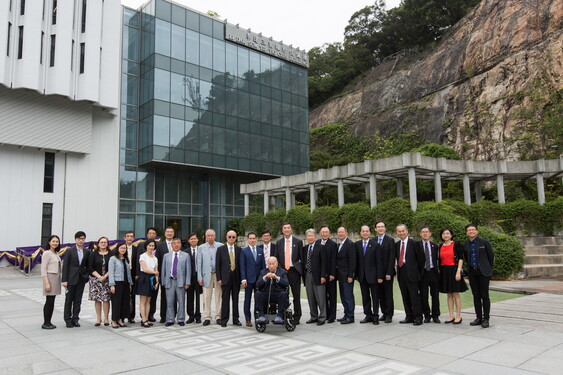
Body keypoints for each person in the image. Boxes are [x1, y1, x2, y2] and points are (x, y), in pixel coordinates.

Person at [463, 224, 494, 328]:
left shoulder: (484, 243)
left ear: (477, 231)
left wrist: (487, 269)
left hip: (483, 273)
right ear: (466, 232)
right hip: (472, 272)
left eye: (473, 229)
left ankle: (486, 318)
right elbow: (466, 259)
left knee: (484, 295)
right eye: (469, 230)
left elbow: (490, 257)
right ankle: (478, 317)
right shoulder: (466, 244)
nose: (471, 231)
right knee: (476, 295)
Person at [395, 224, 424, 326]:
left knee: (414, 296)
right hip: (401, 273)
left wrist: (418, 274)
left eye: (403, 231)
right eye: (399, 231)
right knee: (405, 295)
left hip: (413, 274)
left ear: (407, 231)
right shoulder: (397, 244)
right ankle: (409, 316)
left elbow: (421, 260)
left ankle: (418, 317)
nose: (401, 233)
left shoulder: (415, 244)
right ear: (397, 233)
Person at [275, 222, 303, 324]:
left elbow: (301, 258)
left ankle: (297, 316)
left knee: (296, 295)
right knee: (283, 294)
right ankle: (284, 314)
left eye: (288, 228)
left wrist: (300, 270)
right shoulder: (279, 243)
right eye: (284, 228)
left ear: (291, 230)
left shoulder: (298, 242)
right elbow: (276, 257)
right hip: (283, 271)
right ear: (282, 230)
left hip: (294, 271)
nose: (286, 230)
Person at [61, 231, 91, 328]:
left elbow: (88, 266)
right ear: (75, 239)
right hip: (70, 279)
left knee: (78, 300)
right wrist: (64, 280)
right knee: (69, 300)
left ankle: (75, 319)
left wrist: (86, 276)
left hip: (81, 279)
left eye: (82, 239)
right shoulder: (70, 251)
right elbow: (65, 266)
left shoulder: (87, 252)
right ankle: (68, 320)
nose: (81, 241)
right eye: (79, 239)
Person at [356, 225, 384, 325]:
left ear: (370, 233)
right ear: (360, 233)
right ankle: (368, 315)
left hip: (374, 276)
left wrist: (380, 276)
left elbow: (379, 262)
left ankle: (375, 316)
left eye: (367, 231)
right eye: (363, 231)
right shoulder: (357, 245)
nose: (365, 233)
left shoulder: (375, 245)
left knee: (375, 297)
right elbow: (356, 262)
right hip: (362, 276)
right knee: (365, 297)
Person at [438, 228, 468, 324]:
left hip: (454, 270)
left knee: (455, 294)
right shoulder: (440, 246)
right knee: (449, 294)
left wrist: (458, 271)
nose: (445, 235)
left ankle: (458, 316)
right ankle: (451, 315)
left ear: (451, 235)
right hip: (444, 271)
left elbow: (460, 258)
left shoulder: (456, 245)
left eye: (447, 233)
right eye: (443, 234)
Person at [161, 238, 191, 326]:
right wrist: (163, 281)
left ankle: (181, 319)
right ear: (172, 245)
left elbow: (188, 270)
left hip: (180, 282)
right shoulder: (166, 256)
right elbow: (163, 269)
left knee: (181, 302)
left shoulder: (186, 256)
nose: (176, 245)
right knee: (169, 302)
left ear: (181, 245)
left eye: (178, 243)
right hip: (169, 281)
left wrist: (187, 282)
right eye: (174, 243)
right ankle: (170, 319)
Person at [197, 229, 223, 326]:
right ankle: (207, 317)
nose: (210, 237)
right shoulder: (201, 248)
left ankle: (218, 316)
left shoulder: (220, 246)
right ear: (205, 237)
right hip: (206, 275)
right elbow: (199, 264)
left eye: (212, 235)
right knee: (206, 297)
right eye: (208, 236)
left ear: (215, 236)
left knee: (219, 296)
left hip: (218, 274)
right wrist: (200, 277)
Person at [216, 230, 242, 327]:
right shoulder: (220, 249)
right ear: (226, 237)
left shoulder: (239, 249)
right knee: (225, 299)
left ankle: (236, 319)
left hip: (236, 277)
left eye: (233, 237)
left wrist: (241, 278)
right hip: (225, 278)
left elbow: (241, 265)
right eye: (229, 237)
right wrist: (219, 278)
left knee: (235, 299)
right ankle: (224, 320)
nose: (231, 239)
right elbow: (218, 265)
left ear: (235, 238)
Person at [240, 232, 265, 327]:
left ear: (256, 239)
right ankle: (248, 319)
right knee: (247, 300)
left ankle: (257, 317)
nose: (252, 240)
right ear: (248, 239)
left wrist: (263, 278)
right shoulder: (244, 251)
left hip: (258, 280)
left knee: (258, 300)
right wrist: (243, 279)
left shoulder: (260, 250)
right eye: (250, 238)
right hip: (248, 280)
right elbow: (242, 266)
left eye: (254, 238)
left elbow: (263, 266)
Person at [417, 226, 441, 323]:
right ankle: (426, 315)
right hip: (422, 273)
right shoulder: (416, 245)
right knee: (423, 295)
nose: (425, 233)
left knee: (435, 295)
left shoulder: (434, 246)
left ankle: (435, 315)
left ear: (430, 233)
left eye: (427, 232)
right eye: (423, 232)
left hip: (433, 272)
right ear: (420, 234)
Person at [255, 257, 289, 324]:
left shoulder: (282, 272)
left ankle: (279, 316)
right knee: (258, 293)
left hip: (278, 294)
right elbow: (257, 284)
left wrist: (276, 277)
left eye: (273, 264)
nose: (271, 266)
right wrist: (265, 277)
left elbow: (286, 283)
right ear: (267, 264)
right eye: (269, 264)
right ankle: (261, 315)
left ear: (277, 264)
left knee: (283, 294)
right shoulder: (263, 272)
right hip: (266, 294)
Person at [303, 229, 327, 325]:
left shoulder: (321, 247)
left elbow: (324, 263)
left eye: (311, 236)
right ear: (306, 238)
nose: (310, 238)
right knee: (310, 297)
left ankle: (322, 317)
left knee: (320, 297)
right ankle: (313, 316)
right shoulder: (305, 248)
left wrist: (323, 276)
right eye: (308, 236)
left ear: (315, 237)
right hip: (308, 275)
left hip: (318, 275)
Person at [108, 242, 133, 328]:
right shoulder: (113, 259)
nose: (123, 249)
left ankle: (120, 319)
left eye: (124, 248)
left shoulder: (126, 259)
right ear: (117, 248)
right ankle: (114, 320)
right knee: (116, 303)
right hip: (117, 283)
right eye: (121, 248)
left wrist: (130, 283)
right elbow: (111, 272)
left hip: (125, 283)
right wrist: (112, 285)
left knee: (124, 302)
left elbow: (128, 273)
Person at [374, 221, 395, 323]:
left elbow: (392, 258)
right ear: (375, 229)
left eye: (382, 227)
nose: (380, 228)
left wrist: (389, 273)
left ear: (385, 228)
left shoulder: (390, 240)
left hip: (387, 273)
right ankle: (383, 312)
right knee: (380, 295)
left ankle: (389, 314)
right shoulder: (373, 240)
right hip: (377, 274)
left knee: (388, 294)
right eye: (378, 227)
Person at [88, 237, 111, 327]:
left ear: (108, 244)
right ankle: (98, 318)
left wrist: (105, 276)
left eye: (105, 242)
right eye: (101, 242)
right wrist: (99, 276)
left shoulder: (111, 254)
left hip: (107, 279)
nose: (103, 244)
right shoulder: (93, 254)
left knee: (106, 299)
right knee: (97, 299)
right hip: (95, 280)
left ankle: (106, 318)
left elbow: (112, 267)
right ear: (98, 244)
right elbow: (90, 267)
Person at [317, 226, 337, 323]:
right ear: (320, 233)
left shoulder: (333, 244)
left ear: (329, 233)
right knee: (322, 296)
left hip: (330, 274)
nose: (325, 234)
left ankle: (332, 316)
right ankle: (325, 314)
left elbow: (334, 260)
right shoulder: (317, 243)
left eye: (326, 232)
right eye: (323, 232)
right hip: (320, 274)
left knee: (332, 295)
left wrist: (332, 273)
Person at [136, 239, 159, 327]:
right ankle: (143, 319)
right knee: (143, 300)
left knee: (149, 300)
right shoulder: (143, 256)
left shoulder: (155, 258)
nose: (151, 247)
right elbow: (145, 269)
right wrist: (155, 273)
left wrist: (156, 281)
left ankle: (147, 318)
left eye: (153, 246)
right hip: (144, 278)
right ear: (146, 246)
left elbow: (156, 270)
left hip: (152, 279)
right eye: (149, 245)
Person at [41, 235, 62, 329]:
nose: (55, 243)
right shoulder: (47, 253)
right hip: (50, 278)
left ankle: (49, 321)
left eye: (57, 241)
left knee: (52, 301)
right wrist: (47, 283)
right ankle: (46, 322)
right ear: (49, 242)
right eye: (53, 241)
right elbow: (43, 269)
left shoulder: (55, 253)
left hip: (56, 278)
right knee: (49, 301)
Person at [336, 227, 356, 324]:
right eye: (339, 232)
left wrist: (350, 276)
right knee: (343, 296)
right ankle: (346, 314)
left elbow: (352, 262)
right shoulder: (339, 244)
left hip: (347, 276)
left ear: (346, 233)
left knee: (348, 296)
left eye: (342, 232)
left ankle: (350, 316)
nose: (340, 234)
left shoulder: (350, 244)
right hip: (340, 275)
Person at [156, 226, 175, 323]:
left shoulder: (177, 243)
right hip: (164, 275)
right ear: (165, 234)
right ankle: (163, 316)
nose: (169, 233)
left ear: (174, 233)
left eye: (171, 232)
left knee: (174, 296)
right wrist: (158, 275)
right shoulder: (160, 245)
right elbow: (157, 261)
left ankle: (173, 315)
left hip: (176, 275)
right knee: (164, 296)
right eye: (168, 232)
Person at [185, 233, 202, 324]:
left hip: (199, 277)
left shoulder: (201, 250)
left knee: (199, 297)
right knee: (189, 297)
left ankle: (198, 316)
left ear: (197, 240)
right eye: (191, 239)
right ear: (189, 241)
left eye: (194, 238)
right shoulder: (185, 252)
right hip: (189, 277)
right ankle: (191, 316)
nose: (193, 240)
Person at [145, 227, 159, 322]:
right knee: (144, 296)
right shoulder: (142, 245)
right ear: (147, 234)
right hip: (144, 276)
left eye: (153, 233)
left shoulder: (159, 246)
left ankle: (151, 314)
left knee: (153, 296)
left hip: (155, 276)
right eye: (150, 233)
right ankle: (144, 315)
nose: (152, 235)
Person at [125, 231, 138, 323]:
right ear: (124, 238)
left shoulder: (136, 249)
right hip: (123, 275)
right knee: (123, 295)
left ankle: (131, 316)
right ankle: (122, 315)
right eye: (128, 236)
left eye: (131, 236)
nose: (130, 238)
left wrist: (137, 274)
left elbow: (137, 262)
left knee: (132, 296)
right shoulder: (120, 248)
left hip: (133, 274)